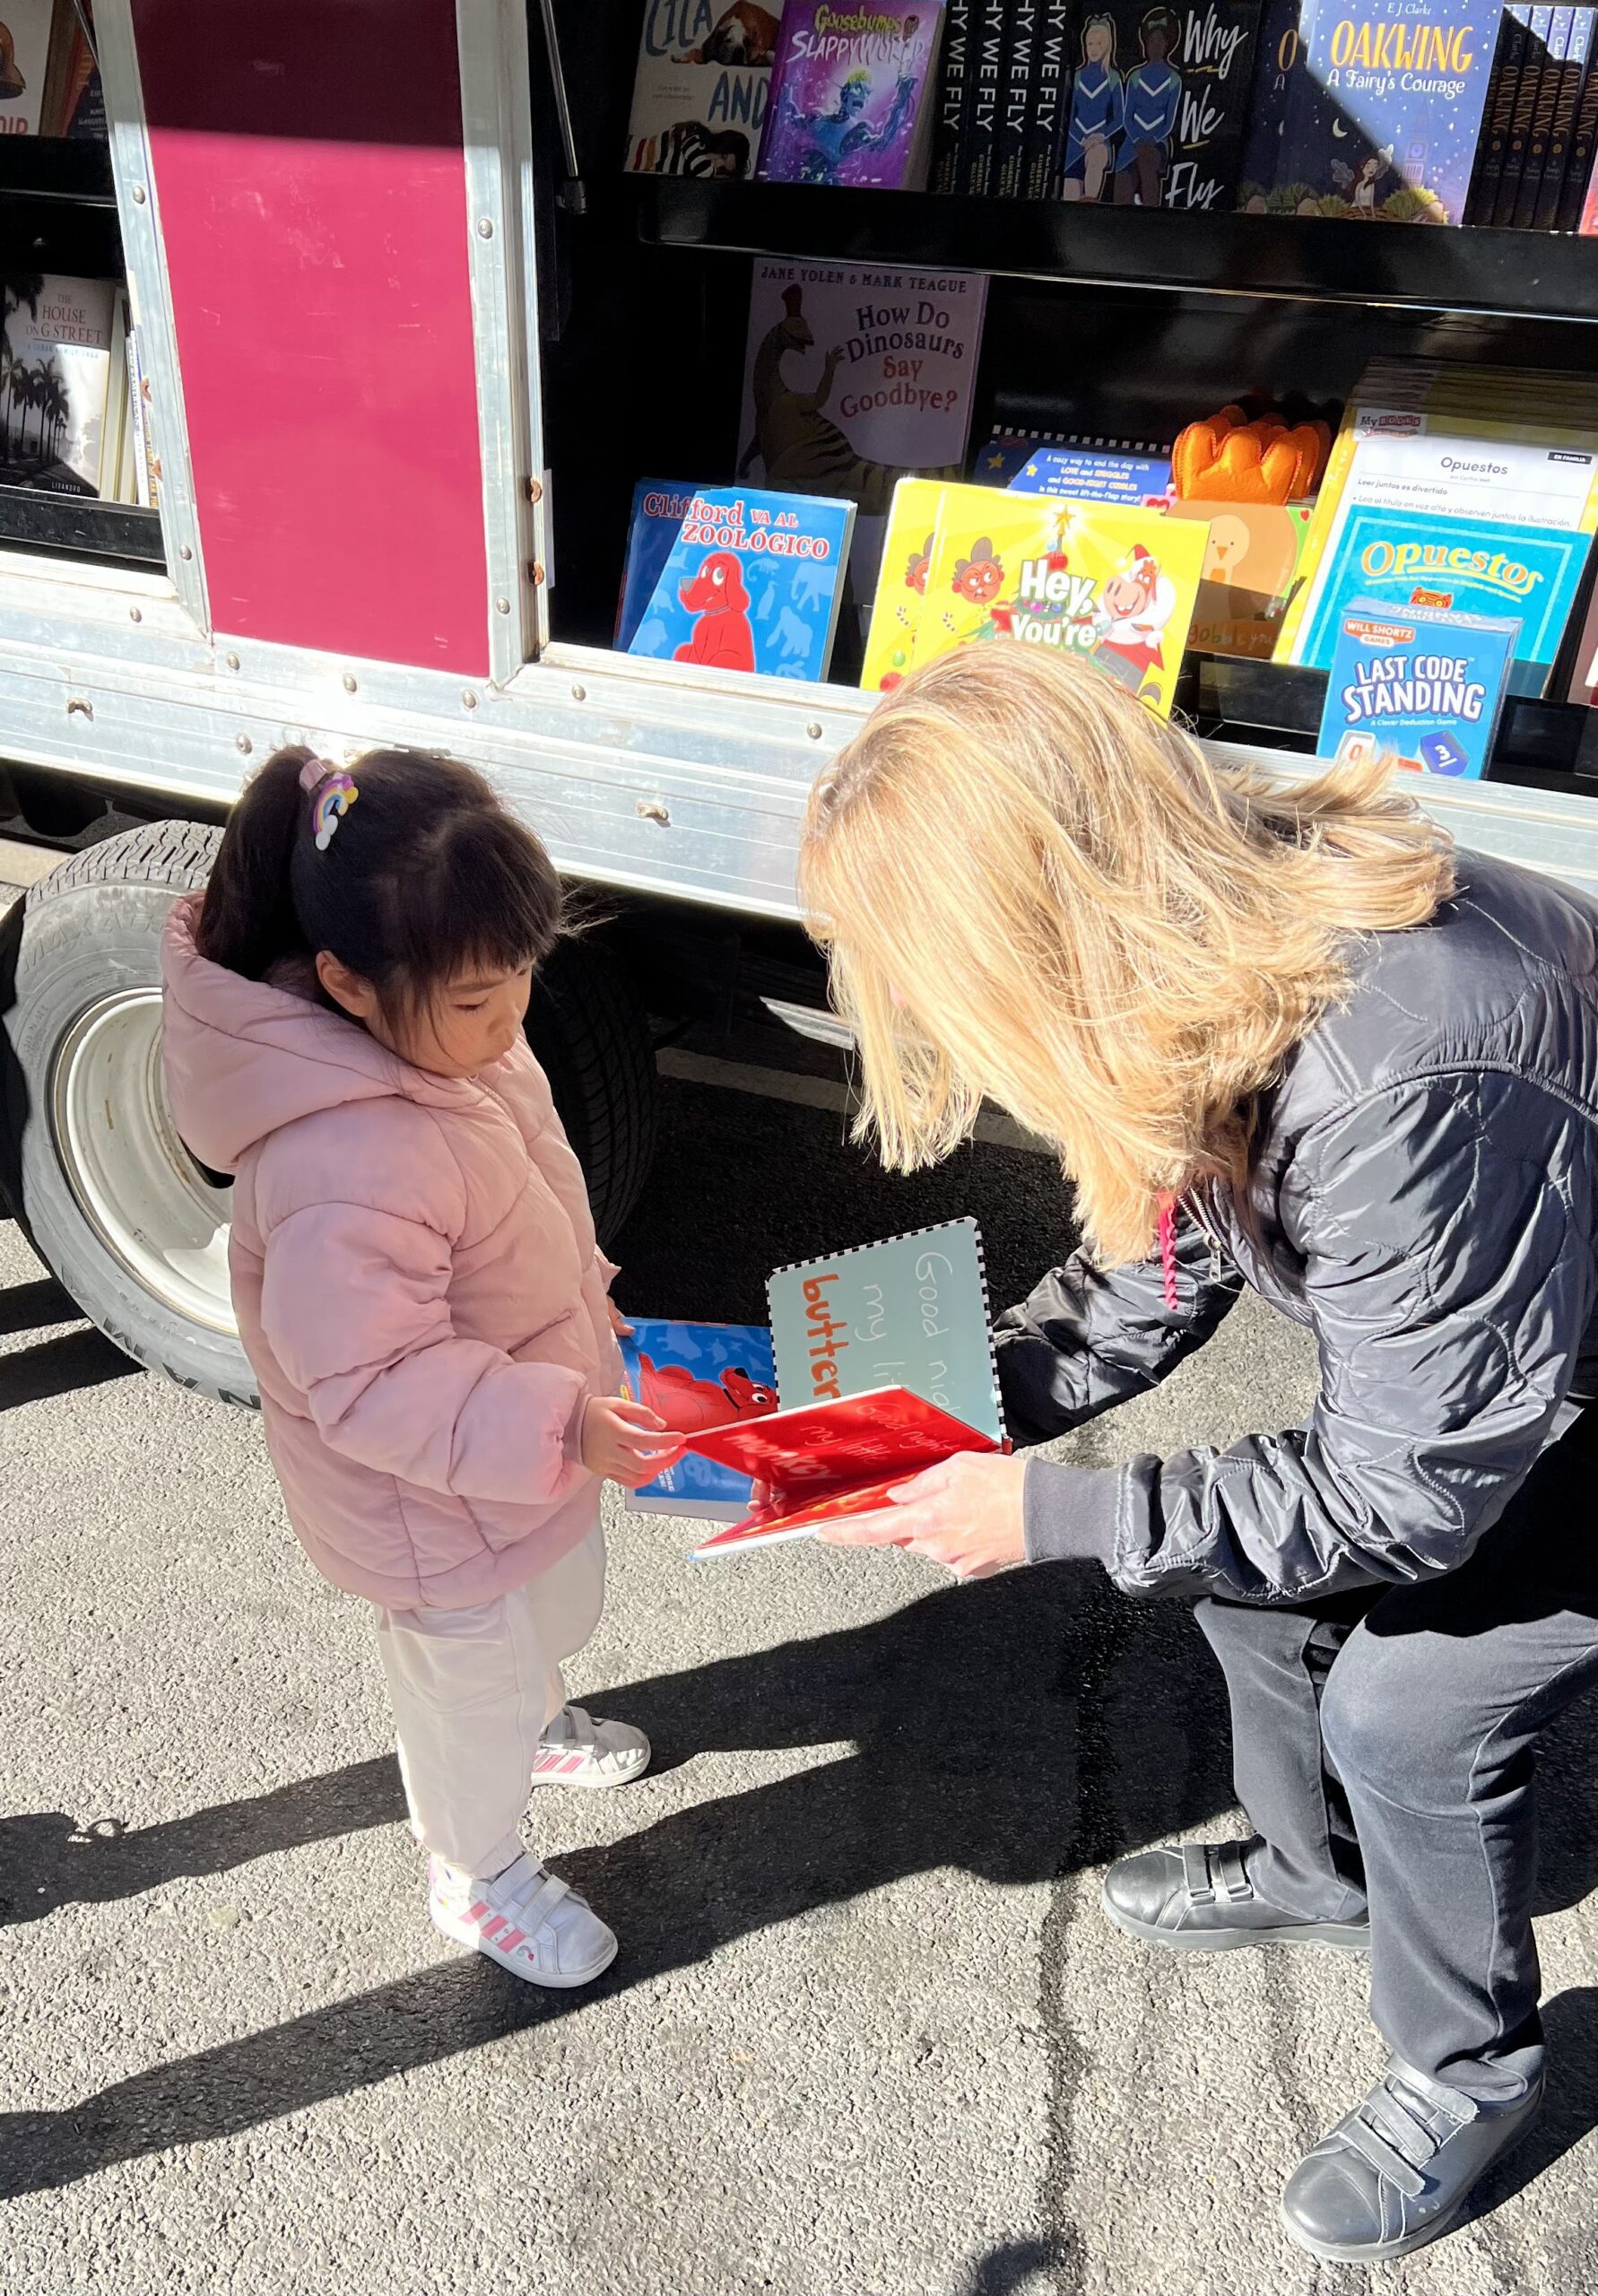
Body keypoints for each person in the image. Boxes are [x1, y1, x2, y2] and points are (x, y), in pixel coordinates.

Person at [798, 644, 1598, 2265]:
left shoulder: (1403, 1066)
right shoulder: (1221, 942)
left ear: (1040, 944)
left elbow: (1402, 1497)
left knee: (1405, 1709)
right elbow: (1162, 1259)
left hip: (1570, 1391)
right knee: (1245, 1594)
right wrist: (961, 1402)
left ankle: (1466, 2065)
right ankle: (1327, 1875)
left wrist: (1047, 1509)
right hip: (1515, 1365)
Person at [161, 747, 681, 1989]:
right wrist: (562, 1419)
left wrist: (580, 1352)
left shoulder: (447, 1046)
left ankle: (535, 1720)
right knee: (464, 1683)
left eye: (521, 985)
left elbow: (522, 1213)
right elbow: (370, 1383)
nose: (508, 1023)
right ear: (344, 981)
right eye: (475, 1002)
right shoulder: (344, 1157)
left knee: (552, 1606)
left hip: (511, 1440)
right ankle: (475, 1869)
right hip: (422, 1497)